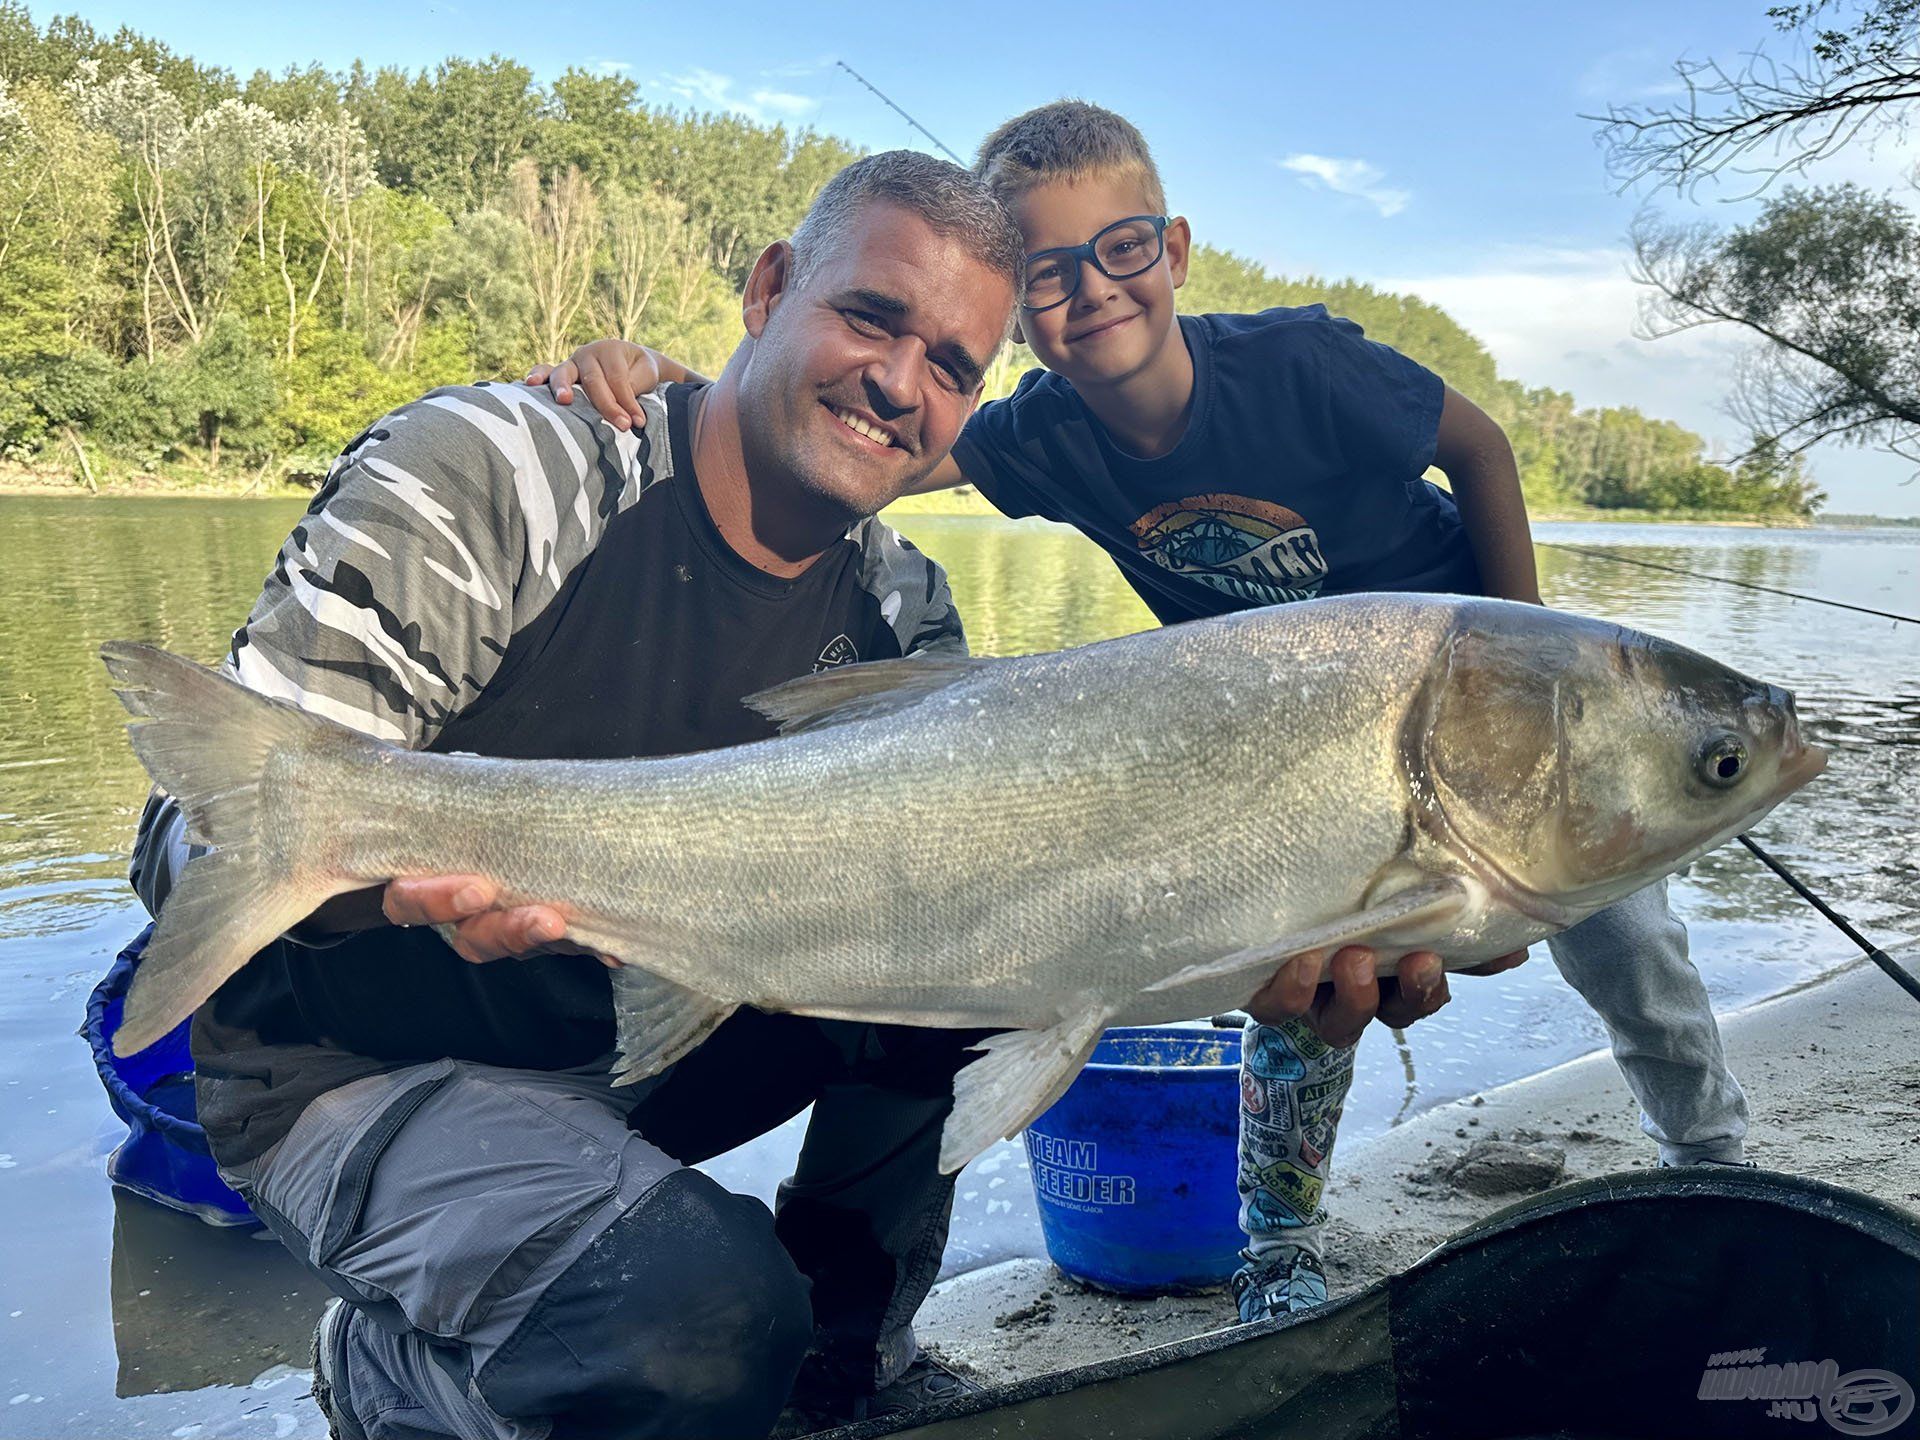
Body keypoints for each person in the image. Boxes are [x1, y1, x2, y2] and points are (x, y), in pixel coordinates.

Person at [126, 149, 1475, 1440]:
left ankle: (852, 1357)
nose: (900, 382)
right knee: (696, 1327)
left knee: (998, 962)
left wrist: (1238, 936)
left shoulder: (906, 615)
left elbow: (1025, 925)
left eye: (952, 367)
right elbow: (196, 844)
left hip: (641, 1042)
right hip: (355, 1065)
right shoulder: (505, 470)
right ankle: (385, 1371)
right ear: (769, 291)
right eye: (870, 318)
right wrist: (385, 887)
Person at [532, 100, 1752, 1331]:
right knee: (1298, 991)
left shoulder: (1300, 363)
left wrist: (1529, 647)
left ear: (1170, 252)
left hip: (1471, 716)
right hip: (1277, 762)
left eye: (1119, 251)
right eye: (1047, 274)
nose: (1091, 292)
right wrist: (681, 383)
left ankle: (1712, 1159)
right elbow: (883, 426)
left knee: (1630, 947)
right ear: (1017, 316)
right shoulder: (1040, 435)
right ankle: (1278, 1238)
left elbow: (1479, 445)